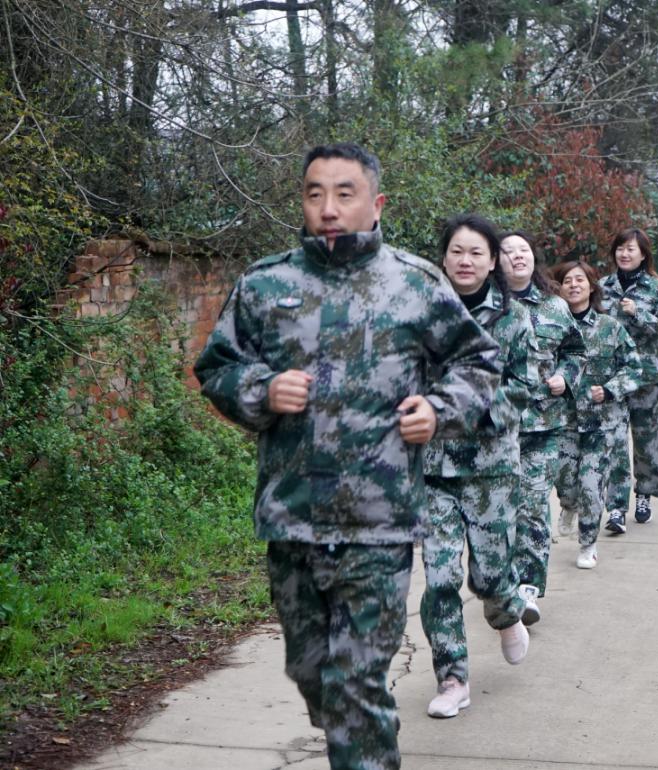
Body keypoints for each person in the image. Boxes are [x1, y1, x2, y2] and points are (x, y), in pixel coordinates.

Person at [194, 143, 501, 770]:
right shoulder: (264, 284)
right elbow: (217, 367)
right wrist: (260, 390)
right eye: (314, 194)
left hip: (378, 525)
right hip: (292, 519)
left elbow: (478, 362)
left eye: (344, 193)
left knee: (357, 688)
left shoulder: (416, 284)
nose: (328, 208)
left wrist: (438, 408)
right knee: (316, 679)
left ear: (376, 203)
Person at [420, 214, 535, 719]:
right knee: (440, 578)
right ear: (443, 257)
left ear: (493, 264)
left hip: (490, 468)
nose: (465, 261)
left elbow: (522, 389)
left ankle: (507, 610)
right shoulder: (420, 313)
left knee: (488, 576)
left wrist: (468, 411)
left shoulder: (513, 320)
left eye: (477, 254)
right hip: (430, 469)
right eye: (457, 252)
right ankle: (452, 677)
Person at [498, 230, 586, 623]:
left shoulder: (555, 307)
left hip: (544, 427)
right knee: (500, 510)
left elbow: (576, 351)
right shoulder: (485, 308)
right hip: (494, 428)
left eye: (524, 250)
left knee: (532, 504)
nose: (518, 257)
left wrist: (566, 377)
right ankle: (500, 585)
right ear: (495, 262)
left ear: (534, 258)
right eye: (508, 252)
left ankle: (528, 590)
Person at [551, 260, 644, 569]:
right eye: (567, 281)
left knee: (592, 485)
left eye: (580, 280)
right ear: (559, 289)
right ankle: (568, 505)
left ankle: (588, 543)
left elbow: (634, 368)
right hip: (562, 421)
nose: (573, 285)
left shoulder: (610, 327)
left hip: (601, 424)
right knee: (565, 482)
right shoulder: (551, 328)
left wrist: (610, 388)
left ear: (591, 287)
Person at [599, 227, 658, 533]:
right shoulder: (602, 286)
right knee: (614, 443)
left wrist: (638, 313)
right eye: (620, 248)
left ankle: (644, 494)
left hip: (646, 377)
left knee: (646, 441)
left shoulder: (656, 288)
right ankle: (616, 507)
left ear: (643, 254)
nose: (625, 254)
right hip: (612, 378)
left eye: (631, 249)